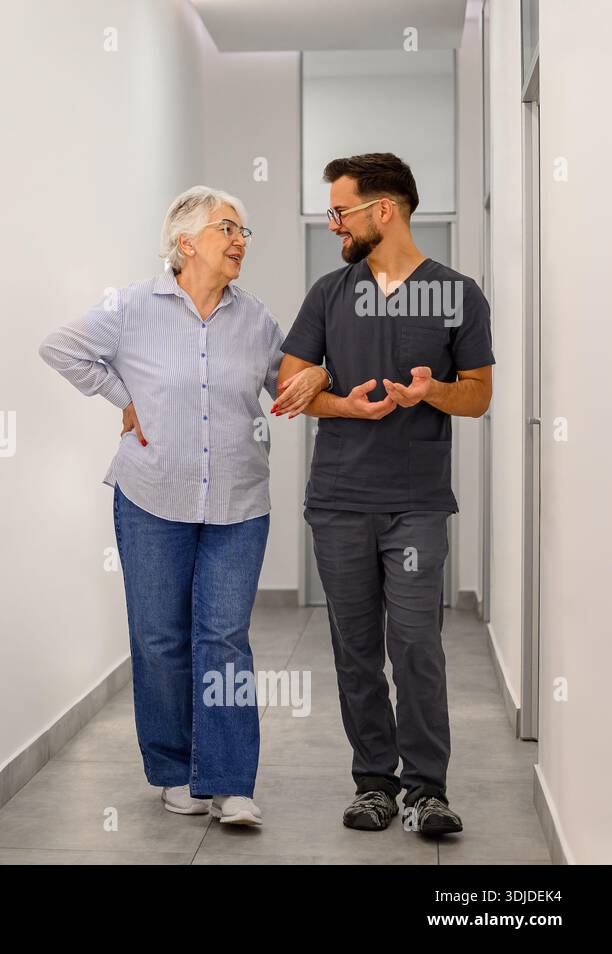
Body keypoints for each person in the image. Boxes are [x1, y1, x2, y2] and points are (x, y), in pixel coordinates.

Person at [39, 186, 327, 826]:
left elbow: (290, 381)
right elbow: (60, 346)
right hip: (150, 496)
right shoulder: (131, 308)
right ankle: (175, 772)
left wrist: (322, 378)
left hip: (238, 500)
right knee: (159, 637)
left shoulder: (255, 319)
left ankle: (230, 782)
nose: (240, 241)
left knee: (224, 638)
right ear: (186, 240)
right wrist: (123, 395)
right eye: (229, 227)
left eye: (246, 231)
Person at [278, 153, 495, 835]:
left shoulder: (458, 294)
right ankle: (374, 782)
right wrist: (344, 404)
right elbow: (292, 388)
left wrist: (433, 391)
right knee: (355, 647)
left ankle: (426, 789)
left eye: (341, 210)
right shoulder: (328, 294)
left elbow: (481, 396)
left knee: (416, 644)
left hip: (418, 505)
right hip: (339, 500)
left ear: (386, 209)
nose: (333, 222)